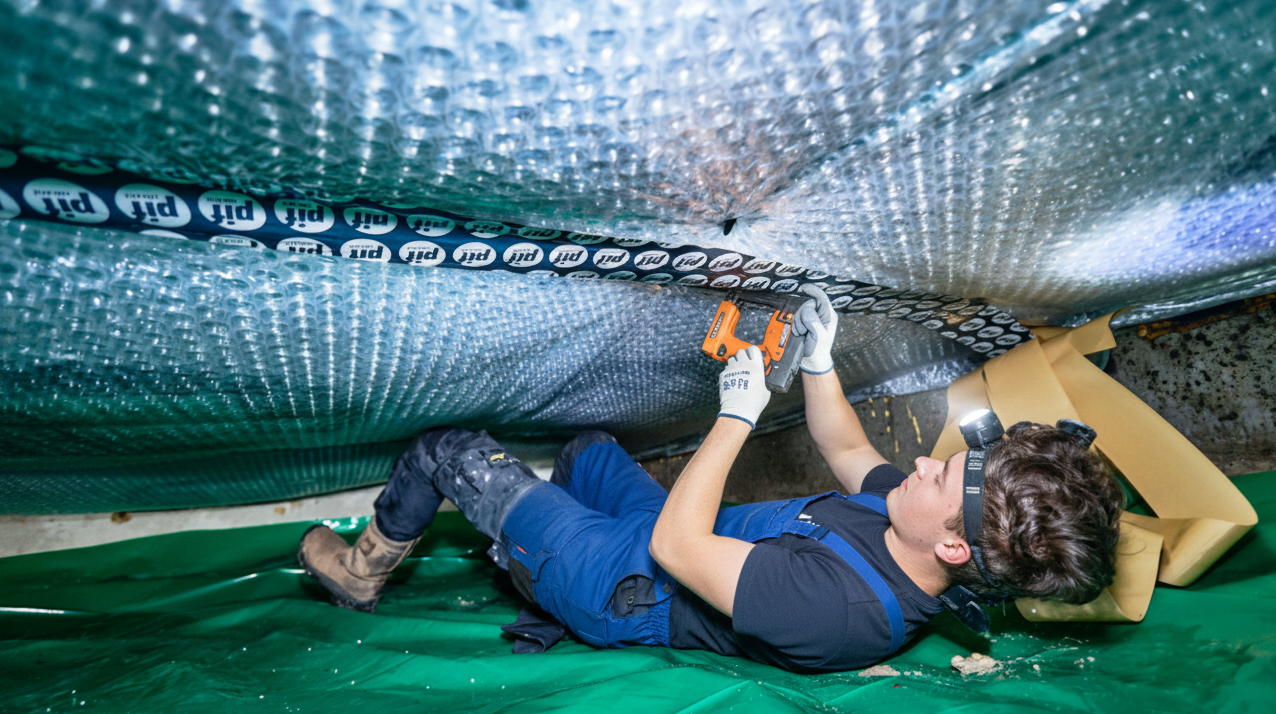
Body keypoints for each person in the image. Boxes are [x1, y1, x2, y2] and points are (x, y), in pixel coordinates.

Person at [298, 285, 1126, 672]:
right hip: (679, 543)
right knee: (588, 449)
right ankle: (524, 536)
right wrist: (820, 359)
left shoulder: (838, 613)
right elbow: (843, 449)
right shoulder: (916, 529)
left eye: (936, 475)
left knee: (450, 452)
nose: (916, 463)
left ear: (952, 547)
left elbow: (675, 543)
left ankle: (362, 569)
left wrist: (736, 414)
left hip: (621, 580)